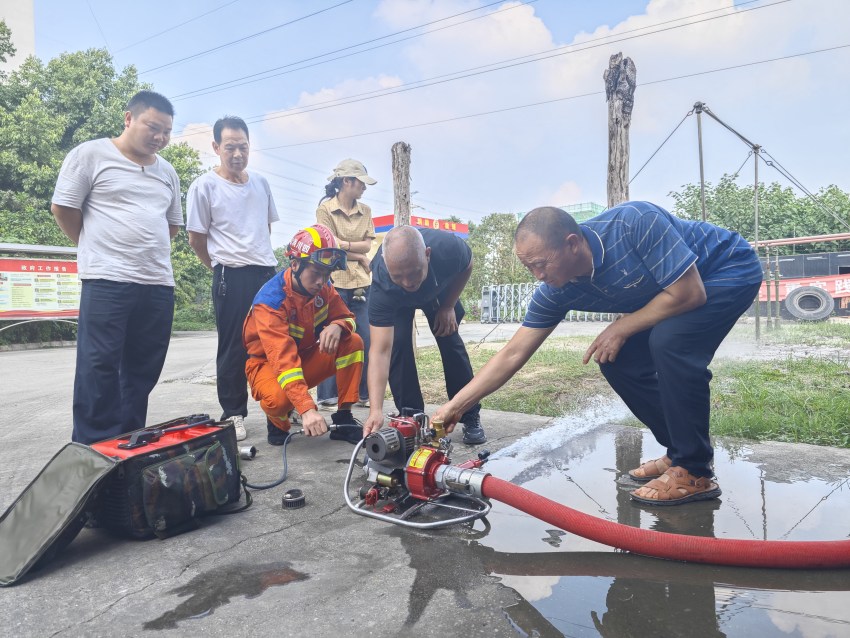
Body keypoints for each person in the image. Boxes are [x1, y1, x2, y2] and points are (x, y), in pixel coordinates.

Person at [433, 201, 763, 504]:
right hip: (673, 291)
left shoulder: (635, 224)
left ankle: (695, 471)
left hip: (725, 270)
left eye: (541, 264)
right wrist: (454, 407)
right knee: (617, 359)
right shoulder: (556, 291)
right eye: (529, 268)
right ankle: (680, 452)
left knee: (671, 343)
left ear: (572, 243)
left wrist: (621, 327)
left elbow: (689, 293)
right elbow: (513, 353)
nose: (539, 277)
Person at [51, 90, 183, 444]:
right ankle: (94, 450)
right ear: (129, 119)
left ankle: (128, 443)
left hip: (157, 283)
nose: (160, 137)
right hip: (106, 280)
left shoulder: (167, 172)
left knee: (141, 371)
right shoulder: (91, 155)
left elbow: (171, 226)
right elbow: (64, 209)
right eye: (153, 127)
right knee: (99, 368)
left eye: (167, 131)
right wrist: (96, 246)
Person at [186, 116, 279, 441]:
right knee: (233, 348)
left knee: (276, 343)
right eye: (230, 147)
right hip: (230, 277)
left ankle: (280, 408)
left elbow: (265, 229)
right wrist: (217, 268)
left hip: (266, 275)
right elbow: (196, 237)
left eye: (243, 147)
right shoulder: (204, 186)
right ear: (216, 148)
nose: (237, 154)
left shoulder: (261, 184)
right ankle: (234, 413)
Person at [362, 225, 487, 445]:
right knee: (397, 349)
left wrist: (448, 306)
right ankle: (412, 419)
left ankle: (469, 414)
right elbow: (380, 351)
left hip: (438, 292)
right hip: (397, 302)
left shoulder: (448, 249)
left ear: (427, 254)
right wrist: (376, 410)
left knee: (450, 341)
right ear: (386, 266)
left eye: (414, 272)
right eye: (398, 275)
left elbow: (467, 265)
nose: (409, 282)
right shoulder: (382, 283)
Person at [243, 224, 364, 445]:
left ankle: (344, 418)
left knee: (352, 342)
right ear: (295, 264)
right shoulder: (271, 302)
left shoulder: (324, 288)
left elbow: (349, 318)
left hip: (303, 357)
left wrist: (338, 326)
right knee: (279, 400)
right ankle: (278, 422)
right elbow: (283, 361)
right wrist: (307, 408)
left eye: (326, 274)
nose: (321, 281)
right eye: (316, 273)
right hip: (267, 364)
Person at [315, 158, 376, 411]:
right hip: (334, 282)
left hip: (362, 282)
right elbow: (328, 245)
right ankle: (328, 395)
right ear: (346, 182)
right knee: (331, 336)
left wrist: (352, 248)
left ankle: (362, 393)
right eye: (360, 182)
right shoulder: (325, 210)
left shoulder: (367, 210)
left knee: (365, 338)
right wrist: (358, 253)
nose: (364, 188)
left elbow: (368, 244)